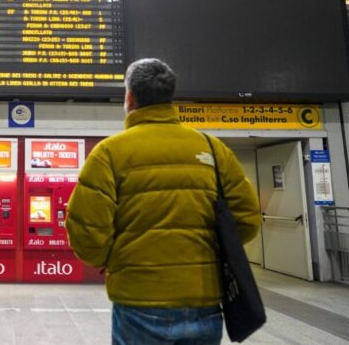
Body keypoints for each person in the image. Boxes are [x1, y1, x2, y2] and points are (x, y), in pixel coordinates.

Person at [65, 58, 261, 345]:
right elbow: (247, 220)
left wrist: (113, 261)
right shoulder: (212, 148)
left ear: (130, 97)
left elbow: (87, 231)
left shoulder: (108, 153)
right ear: (170, 97)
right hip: (204, 300)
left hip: (138, 299)